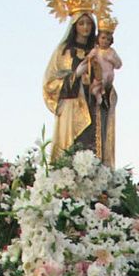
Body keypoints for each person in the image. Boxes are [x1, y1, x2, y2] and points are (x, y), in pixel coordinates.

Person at [45, 10, 116, 164]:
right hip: (72, 108)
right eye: (81, 23)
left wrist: (106, 87)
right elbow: (50, 84)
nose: (86, 27)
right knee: (71, 152)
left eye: (89, 23)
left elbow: (108, 84)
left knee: (93, 150)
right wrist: (75, 75)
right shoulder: (63, 52)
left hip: (94, 107)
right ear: (74, 26)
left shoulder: (98, 52)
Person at [84, 23, 122, 102]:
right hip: (99, 74)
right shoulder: (96, 50)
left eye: (108, 39)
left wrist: (111, 59)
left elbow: (119, 65)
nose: (105, 41)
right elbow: (88, 58)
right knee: (97, 84)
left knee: (105, 83)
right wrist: (90, 58)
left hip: (109, 75)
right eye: (103, 38)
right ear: (98, 39)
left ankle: (102, 93)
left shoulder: (111, 51)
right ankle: (99, 94)